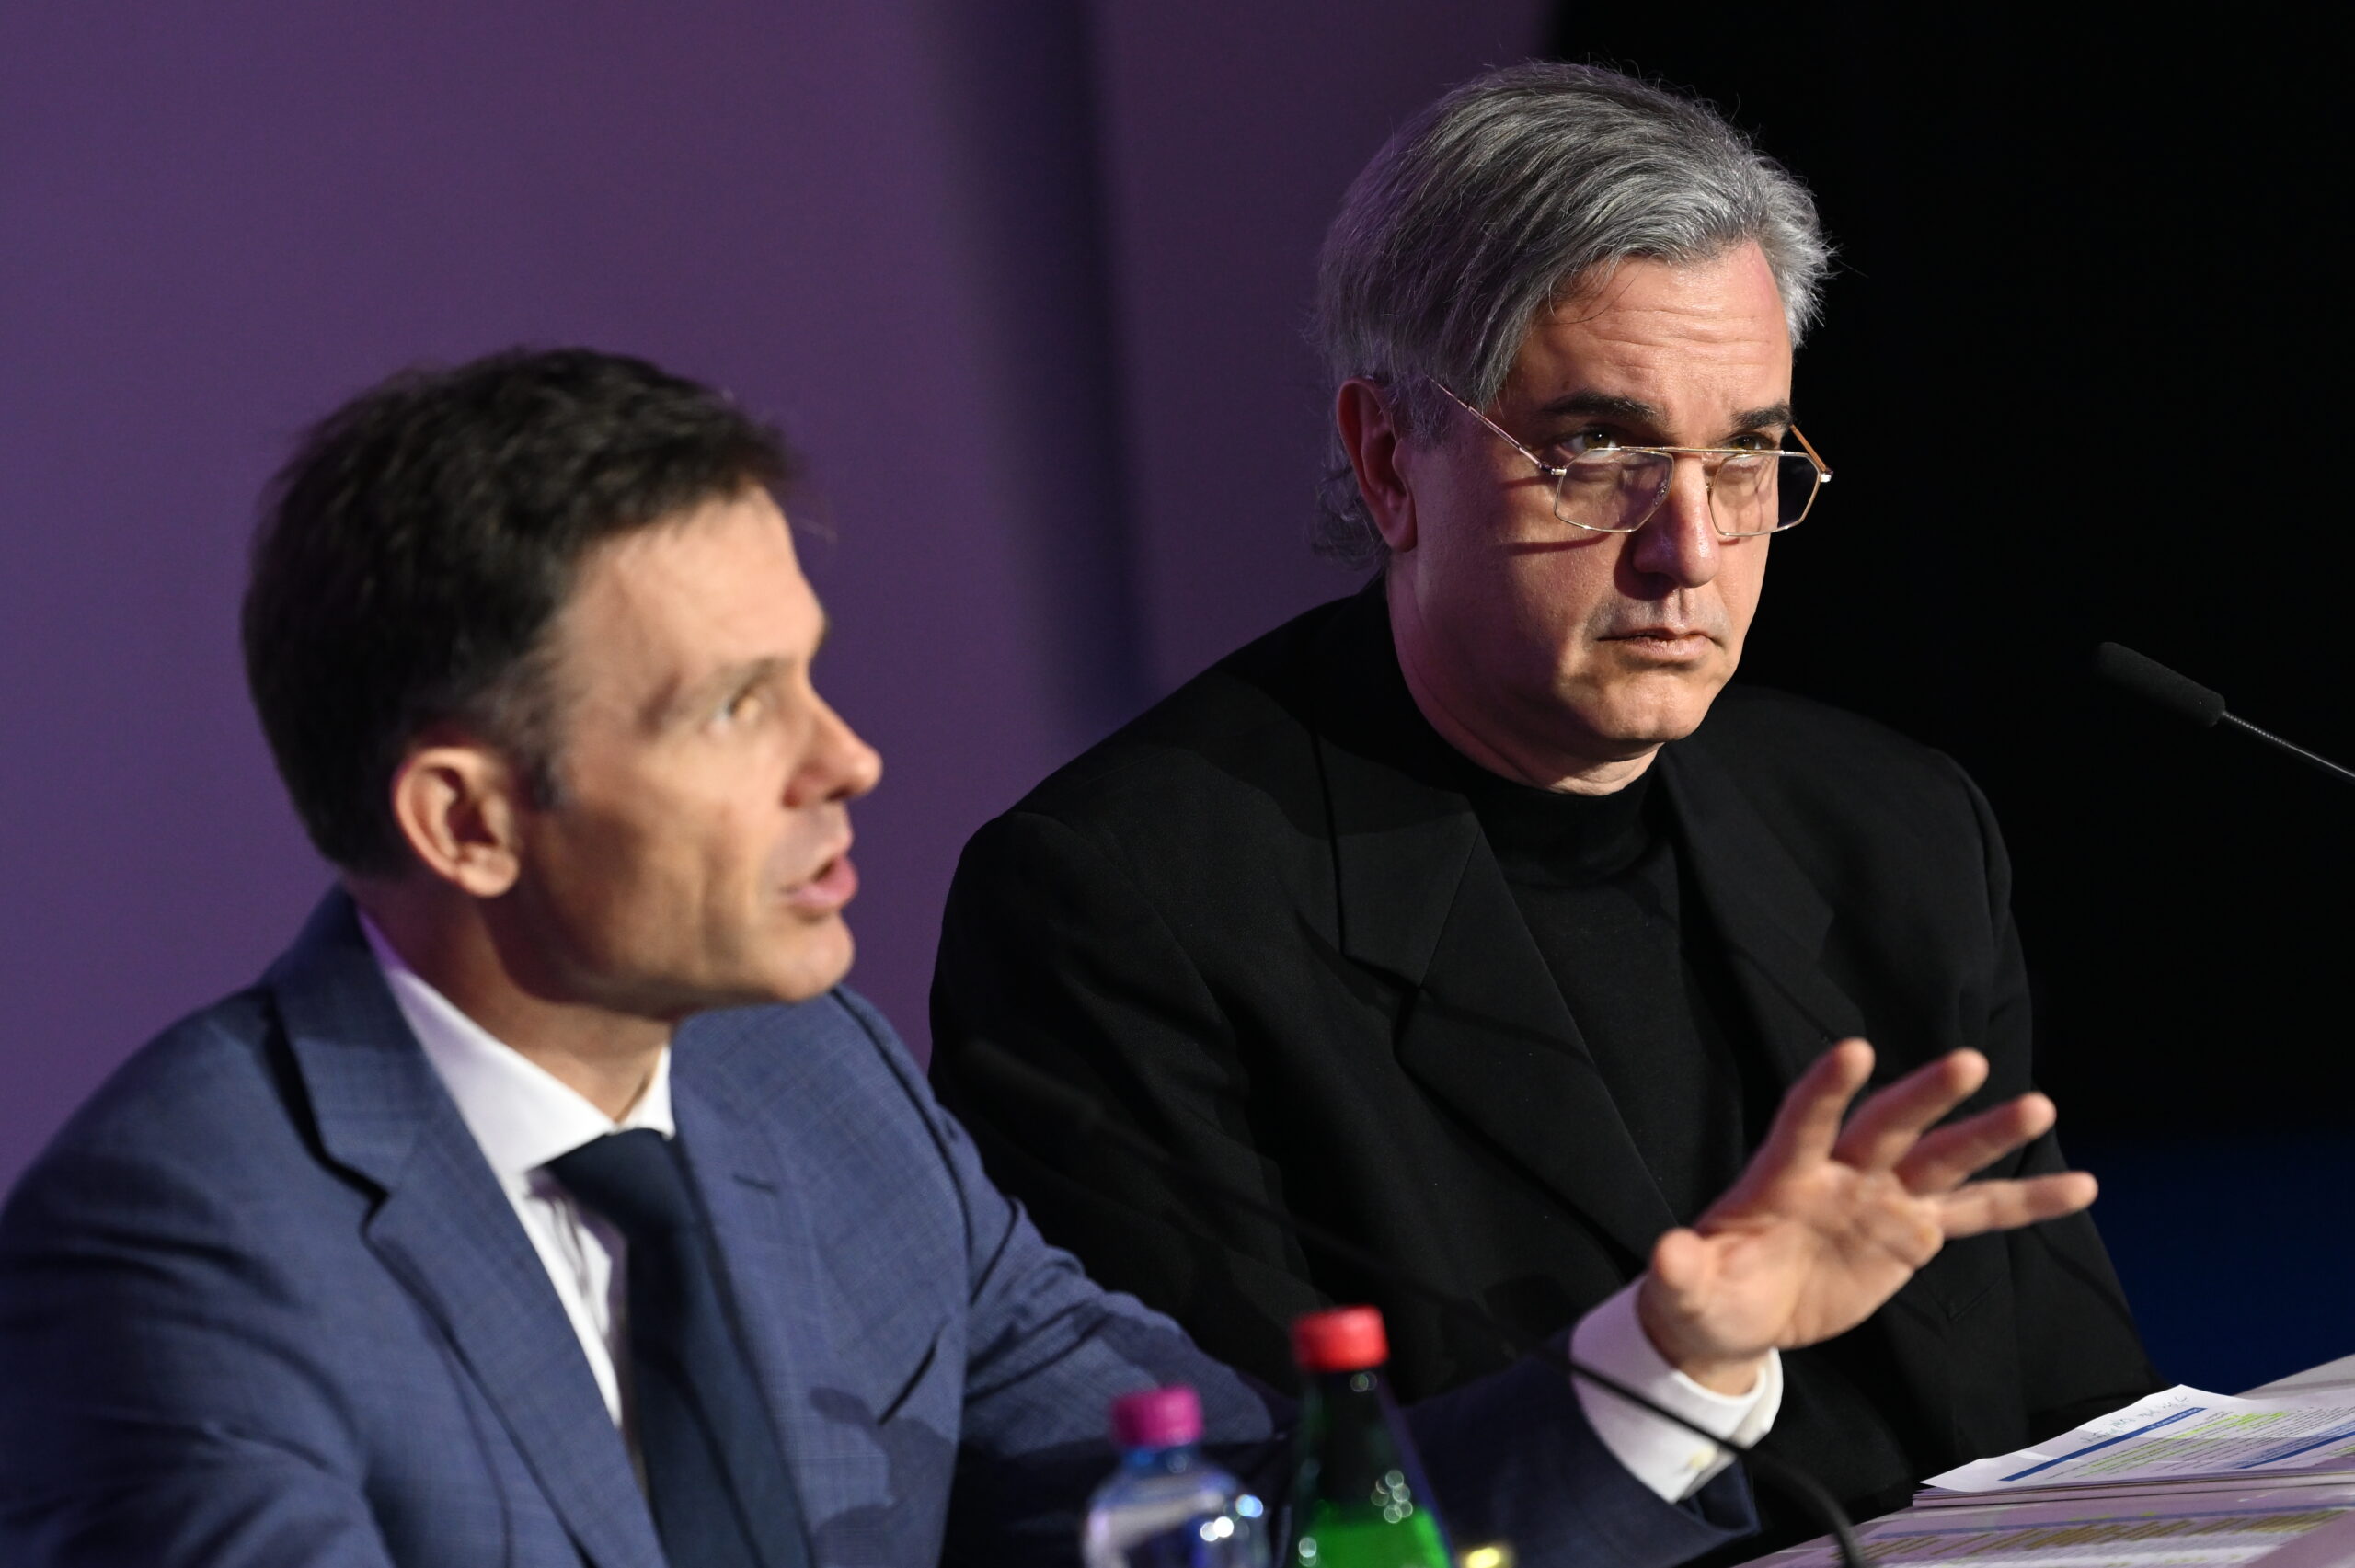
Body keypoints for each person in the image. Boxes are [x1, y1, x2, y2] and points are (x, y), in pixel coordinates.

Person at [0, 349, 2097, 1568]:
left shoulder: (811, 1080)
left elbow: (1233, 1524)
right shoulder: (189, 1256)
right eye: (735, 709)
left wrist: (1671, 1358)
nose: (848, 760)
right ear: (468, 818)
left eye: (813, 675)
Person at [927, 61, 2160, 1549]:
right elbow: (1247, 1519)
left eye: (1746, 452)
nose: (1689, 548)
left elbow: (2085, 1426)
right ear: (1391, 460)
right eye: (1601, 451)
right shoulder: (1128, 906)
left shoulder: (1894, 828)